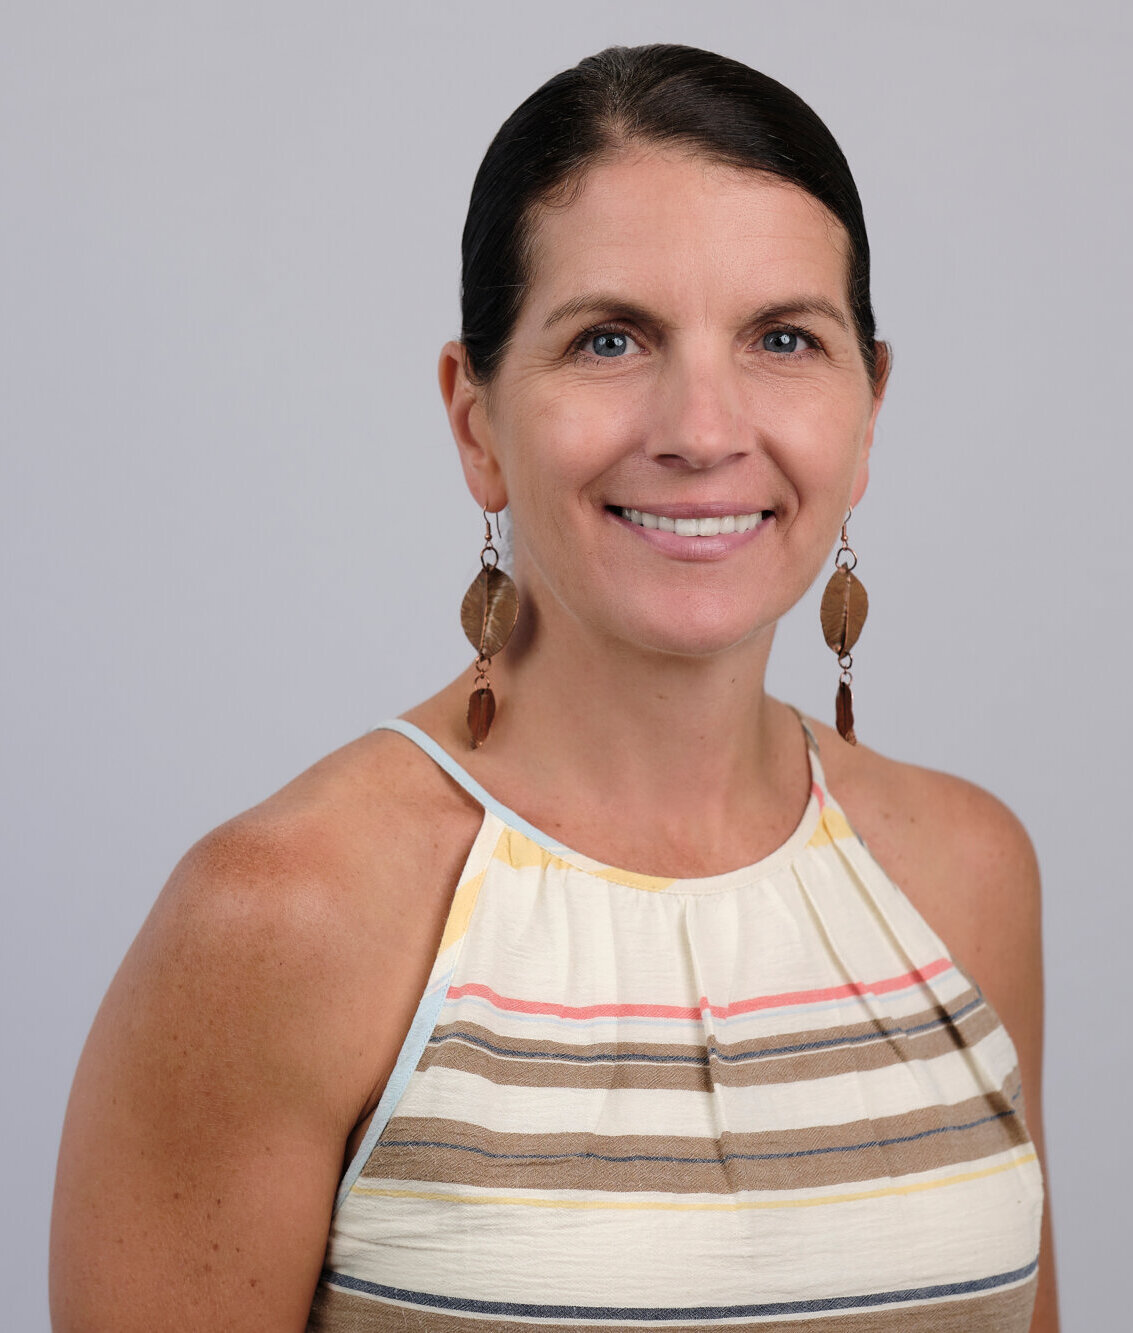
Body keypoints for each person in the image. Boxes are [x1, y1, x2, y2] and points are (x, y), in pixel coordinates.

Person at [49, 44, 1058, 1333]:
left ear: (868, 409)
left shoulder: (969, 871)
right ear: (476, 420)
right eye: (610, 338)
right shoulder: (282, 918)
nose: (702, 427)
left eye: (785, 338)